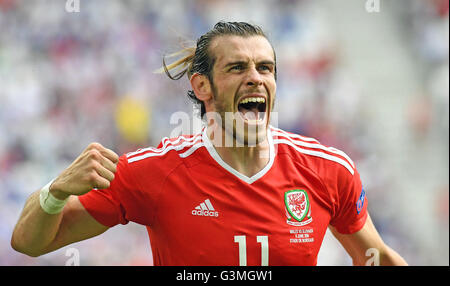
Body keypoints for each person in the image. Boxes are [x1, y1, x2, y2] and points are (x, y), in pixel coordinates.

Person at [11, 21, 407, 266]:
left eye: (265, 67)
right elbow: (29, 242)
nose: (256, 77)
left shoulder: (328, 170)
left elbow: (376, 257)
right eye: (237, 67)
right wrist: (56, 192)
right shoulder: (153, 172)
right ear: (202, 85)